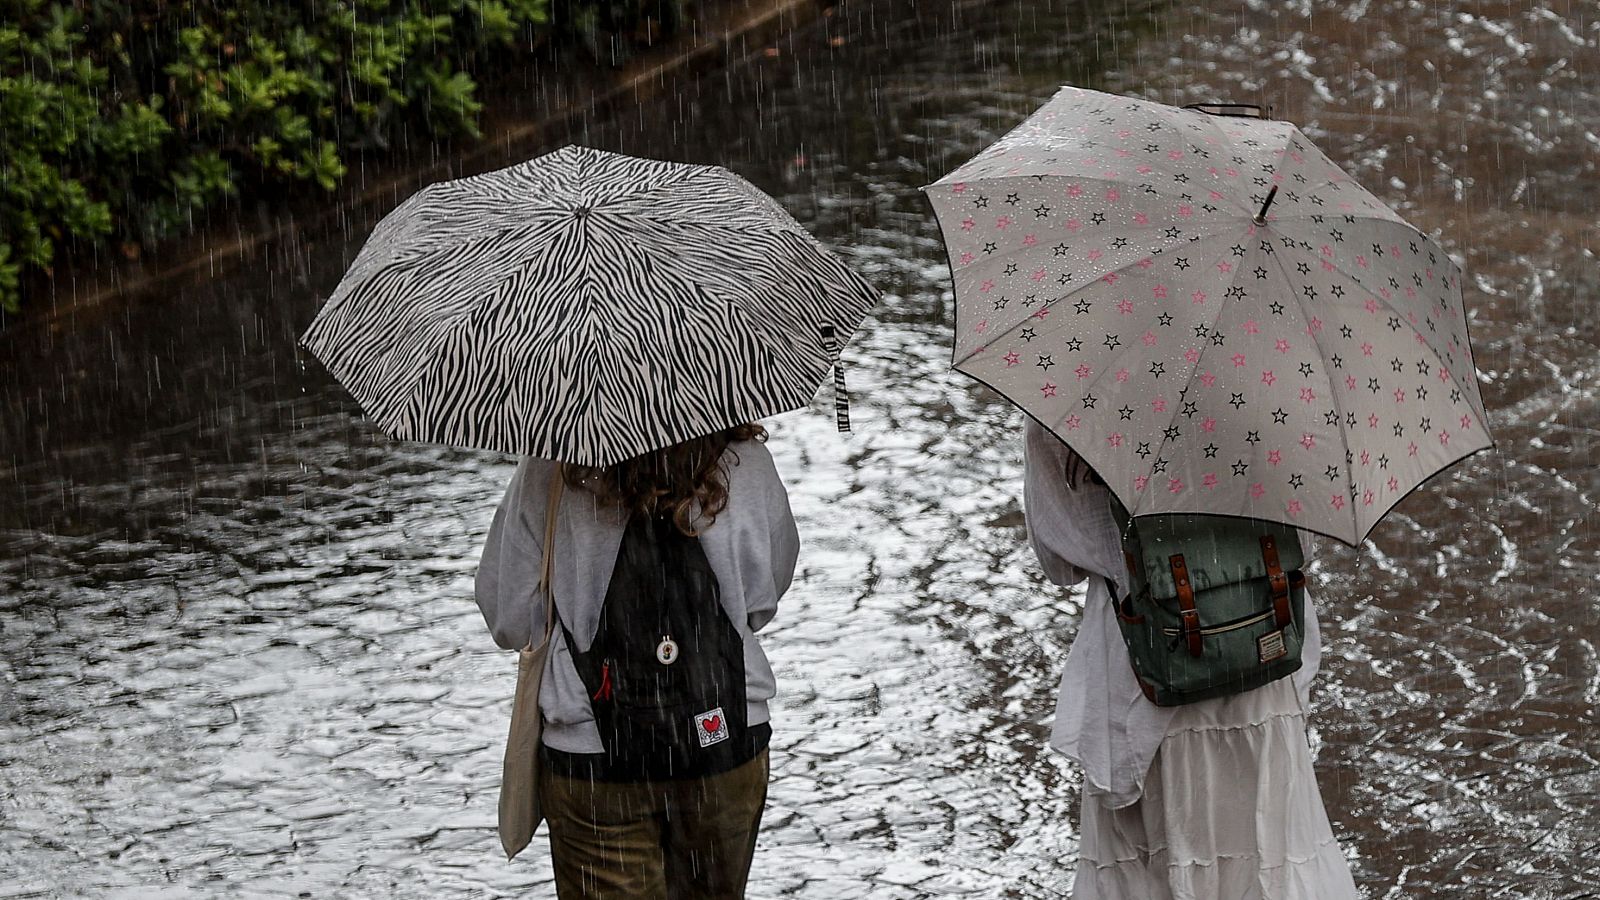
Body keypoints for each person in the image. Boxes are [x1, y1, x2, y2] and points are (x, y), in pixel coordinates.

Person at [1022, 419, 1362, 898]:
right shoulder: (1279, 383)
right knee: (1269, 841)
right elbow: (1302, 542)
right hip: (1260, 636)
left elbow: (1059, 561)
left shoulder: (1070, 396)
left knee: (1157, 852)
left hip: (1143, 659)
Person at [475, 423, 799, 899]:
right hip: (725, 739)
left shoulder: (550, 469)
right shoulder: (744, 461)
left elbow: (509, 618)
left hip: (594, 762)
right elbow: (765, 594)